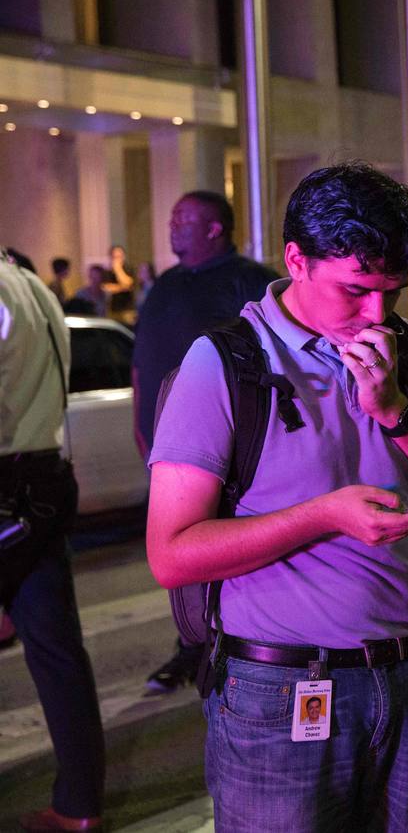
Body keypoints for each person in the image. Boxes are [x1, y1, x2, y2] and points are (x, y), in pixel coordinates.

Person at [145, 162, 408, 831]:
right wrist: (325, 516)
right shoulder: (224, 363)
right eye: (356, 290)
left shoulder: (404, 351)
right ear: (296, 260)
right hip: (280, 693)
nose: (375, 314)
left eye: (393, 292)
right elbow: (172, 553)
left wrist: (395, 410)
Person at [133, 190, 279, 694]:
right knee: (181, 557)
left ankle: (231, 646)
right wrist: (140, 424)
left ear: (215, 228)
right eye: (172, 216)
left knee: (226, 548)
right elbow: (142, 361)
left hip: (234, 447)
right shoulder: (164, 287)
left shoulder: (249, 280)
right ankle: (193, 644)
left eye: (184, 218)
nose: (172, 224)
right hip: (169, 447)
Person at [1, 249, 107, 833]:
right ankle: (79, 802)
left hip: (3, 473)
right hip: (42, 475)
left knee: (54, 647)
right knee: (56, 650)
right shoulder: (33, 285)